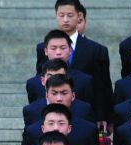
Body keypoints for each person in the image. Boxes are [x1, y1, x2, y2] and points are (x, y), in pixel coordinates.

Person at [38, 0, 112, 130]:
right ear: (56, 15)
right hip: (53, 114)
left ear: (79, 16)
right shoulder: (43, 48)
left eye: (70, 15)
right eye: (61, 15)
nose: (65, 20)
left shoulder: (96, 50)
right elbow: (40, 80)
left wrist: (104, 116)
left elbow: (102, 86)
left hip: (86, 113)